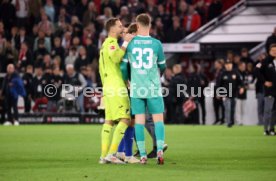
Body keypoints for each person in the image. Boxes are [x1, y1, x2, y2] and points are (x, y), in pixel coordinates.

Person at [121, 14, 166, 164]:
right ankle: (159, 150)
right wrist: (160, 73)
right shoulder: (157, 43)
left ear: (137, 26)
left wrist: (127, 80)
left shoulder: (131, 43)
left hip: (136, 87)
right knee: (158, 120)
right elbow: (163, 65)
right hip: (153, 87)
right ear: (150, 26)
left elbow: (123, 66)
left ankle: (143, 155)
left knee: (139, 121)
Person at [98, 18, 134, 164]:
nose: (122, 28)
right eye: (120, 26)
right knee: (125, 119)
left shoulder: (104, 45)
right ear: (112, 29)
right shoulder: (112, 43)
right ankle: (112, 153)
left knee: (109, 121)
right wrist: (125, 42)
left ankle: (103, 156)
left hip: (107, 86)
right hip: (116, 86)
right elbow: (116, 57)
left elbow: (102, 69)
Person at [255, 44, 276, 136]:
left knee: (275, 111)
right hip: (270, 89)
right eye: (273, 50)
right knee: (268, 110)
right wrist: (264, 81)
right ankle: (265, 129)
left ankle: (272, 129)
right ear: (269, 51)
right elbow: (256, 71)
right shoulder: (265, 61)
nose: (275, 52)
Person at [217, 59, 244, 127]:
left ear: (231, 65)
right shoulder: (222, 74)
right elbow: (219, 84)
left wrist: (242, 88)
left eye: (229, 64)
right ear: (225, 66)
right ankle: (228, 122)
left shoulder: (235, 73)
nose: (228, 66)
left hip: (234, 94)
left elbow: (241, 82)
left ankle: (231, 122)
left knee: (232, 108)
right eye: (227, 65)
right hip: (225, 94)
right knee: (227, 108)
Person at [213, 59, 225, 125]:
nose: (215, 65)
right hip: (215, 90)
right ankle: (217, 119)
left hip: (220, 91)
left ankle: (223, 119)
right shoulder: (216, 71)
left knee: (222, 106)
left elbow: (222, 83)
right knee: (215, 106)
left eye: (216, 64)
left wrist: (219, 92)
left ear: (220, 64)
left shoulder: (223, 72)